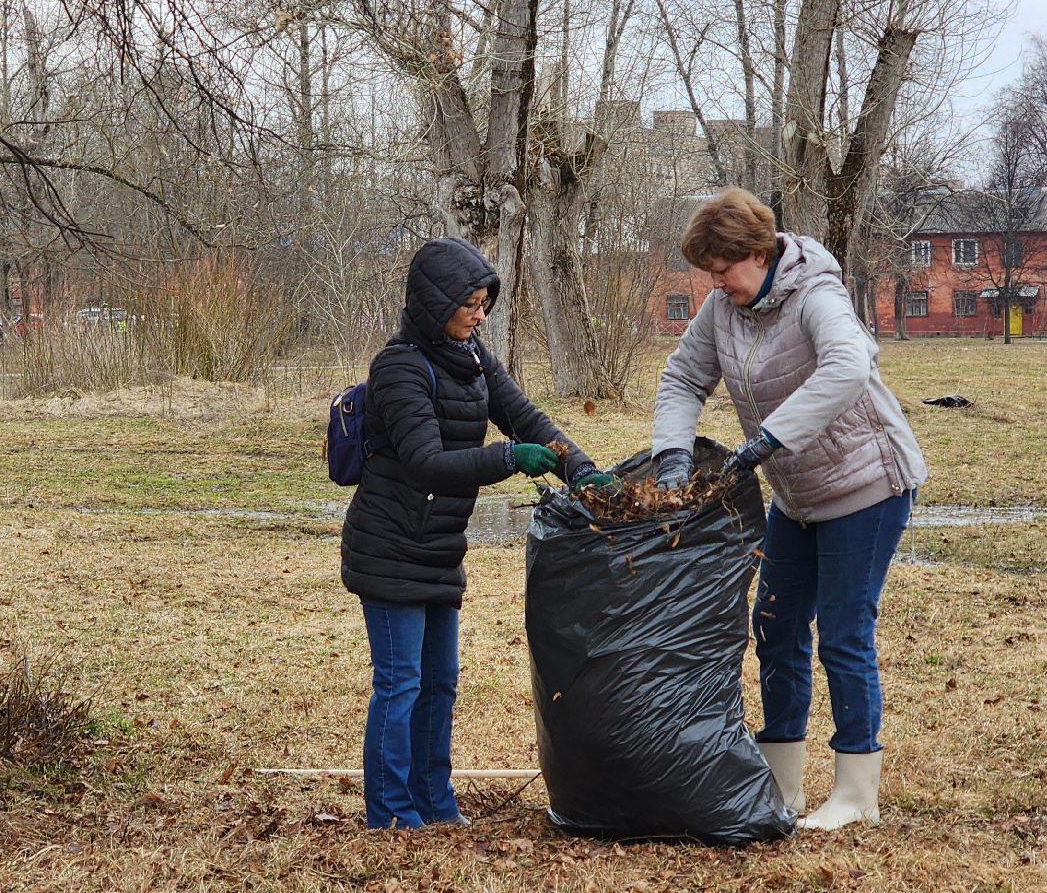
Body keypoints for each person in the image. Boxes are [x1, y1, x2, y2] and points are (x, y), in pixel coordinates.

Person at [651, 188, 927, 832]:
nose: (716, 285)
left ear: (757, 251)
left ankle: (857, 792)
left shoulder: (817, 295)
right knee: (774, 628)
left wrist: (766, 441)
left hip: (866, 485)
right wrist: (671, 456)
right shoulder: (723, 309)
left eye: (724, 270)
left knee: (843, 631)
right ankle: (781, 786)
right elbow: (683, 377)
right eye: (709, 275)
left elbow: (848, 366)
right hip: (796, 497)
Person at [341, 236, 611, 829]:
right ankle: (389, 815)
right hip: (389, 547)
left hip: (439, 547)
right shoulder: (398, 368)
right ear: (436, 303)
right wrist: (512, 458)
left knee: (440, 683)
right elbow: (426, 463)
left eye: (485, 303)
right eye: (470, 303)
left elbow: (527, 416)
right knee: (400, 683)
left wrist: (583, 470)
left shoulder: (472, 357)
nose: (479, 313)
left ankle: (434, 803)